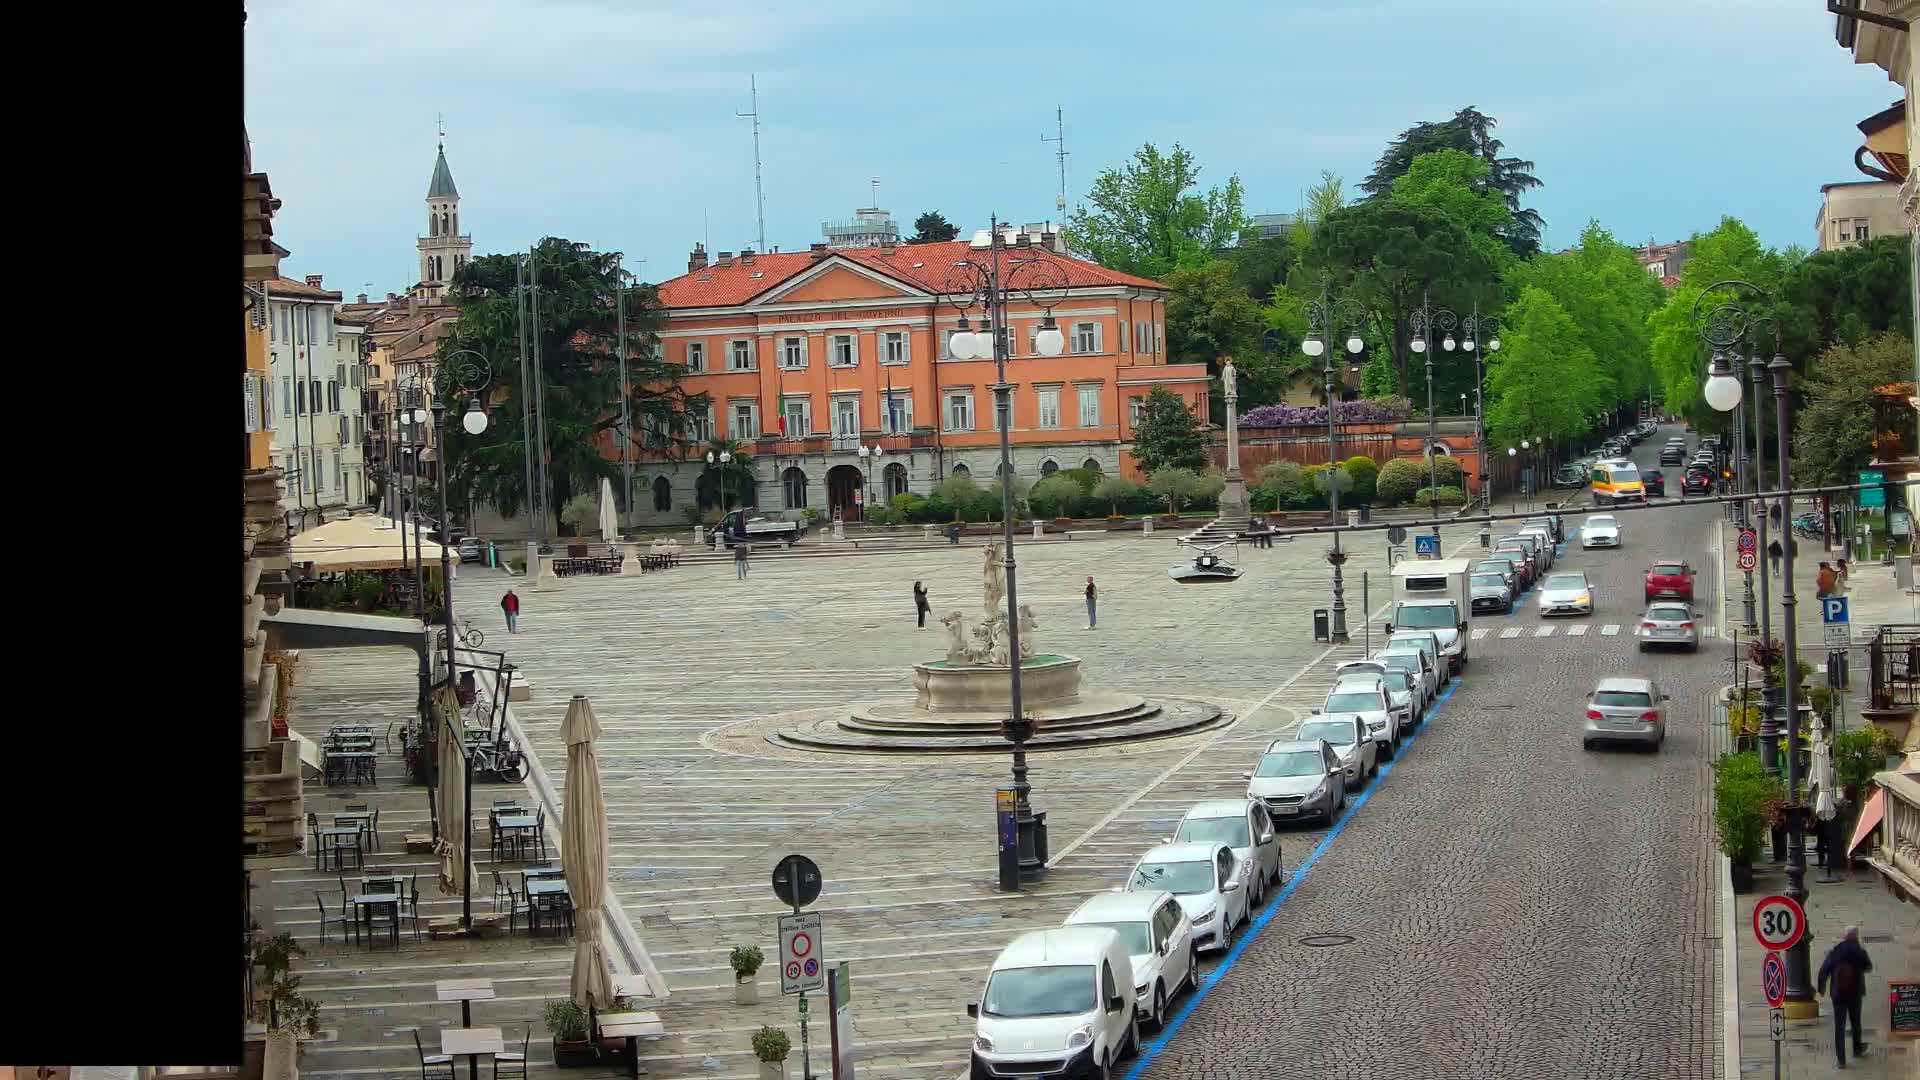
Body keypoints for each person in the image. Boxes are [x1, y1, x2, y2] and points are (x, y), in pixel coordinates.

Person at [1817, 926, 1874, 1068]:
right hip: (1855, 993)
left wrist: (1821, 987)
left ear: (1844, 936)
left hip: (1838, 994)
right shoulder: (1859, 951)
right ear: (1856, 936)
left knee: (1839, 1027)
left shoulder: (1836, 951)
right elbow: (1868, 967)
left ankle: (1841, 1060)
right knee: (1856, 1023)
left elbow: (1824, 970)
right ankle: (1857, 1049)